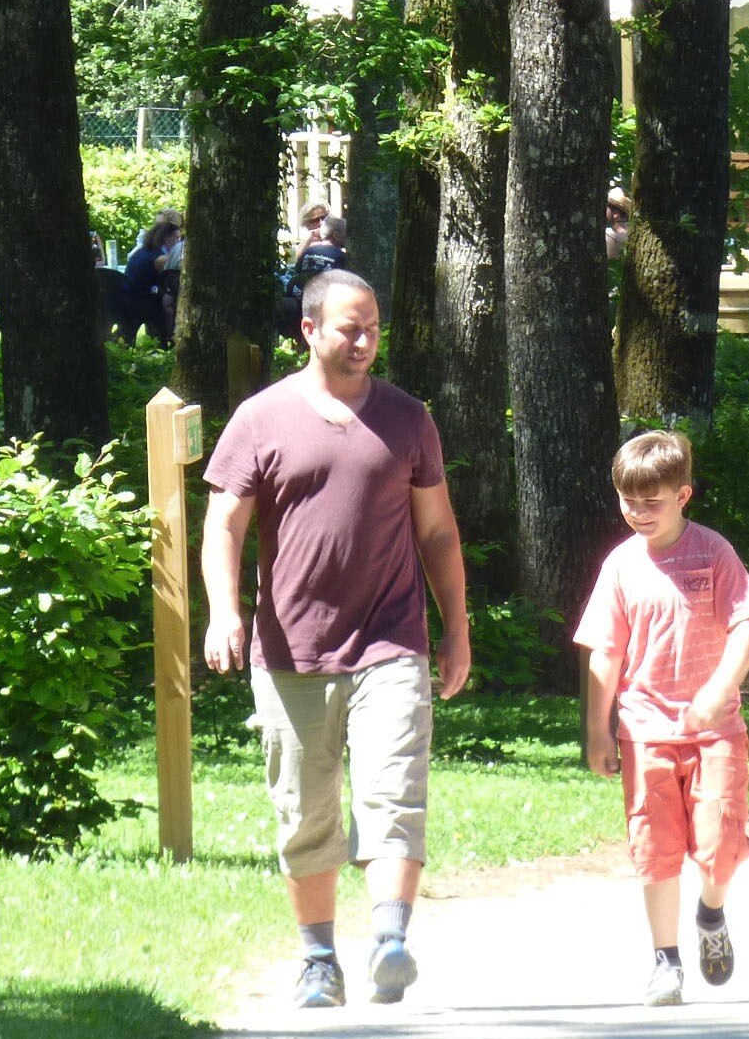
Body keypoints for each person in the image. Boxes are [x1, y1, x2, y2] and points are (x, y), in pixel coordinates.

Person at [202, 268, 472, 1010]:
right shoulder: (261, 419)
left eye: (373, 328)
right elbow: (223, 524)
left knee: (394, 791)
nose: (364, 341)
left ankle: (390, 938)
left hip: (391, 641)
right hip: (291, 649)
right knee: (306, 812)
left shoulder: (408, 418)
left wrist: (457, 629)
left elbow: (439, 530)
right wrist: (225, 611)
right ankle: (319, 959)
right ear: (309, 330)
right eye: (350, 328)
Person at [574, 429, 749, 1008]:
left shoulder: (713, 552)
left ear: (683, 495)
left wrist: (718, 689)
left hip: (715, 729)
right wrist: (596, 728)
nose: (637, 513)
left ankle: (710, 912)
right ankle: (666, 962)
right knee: (654, 846)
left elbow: (746, 625)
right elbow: (606, 651)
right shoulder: (620, 566)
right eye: (627, 501)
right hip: (644, 730)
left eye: (651, 502)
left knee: (721, 843)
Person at [115, 212, 182, 346]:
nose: (178, 241)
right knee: (169, 304)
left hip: (123, 299)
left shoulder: (143, 251)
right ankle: (167, 340)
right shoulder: (160, 258)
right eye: (177, 238)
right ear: (167, 238)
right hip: (138, 303)